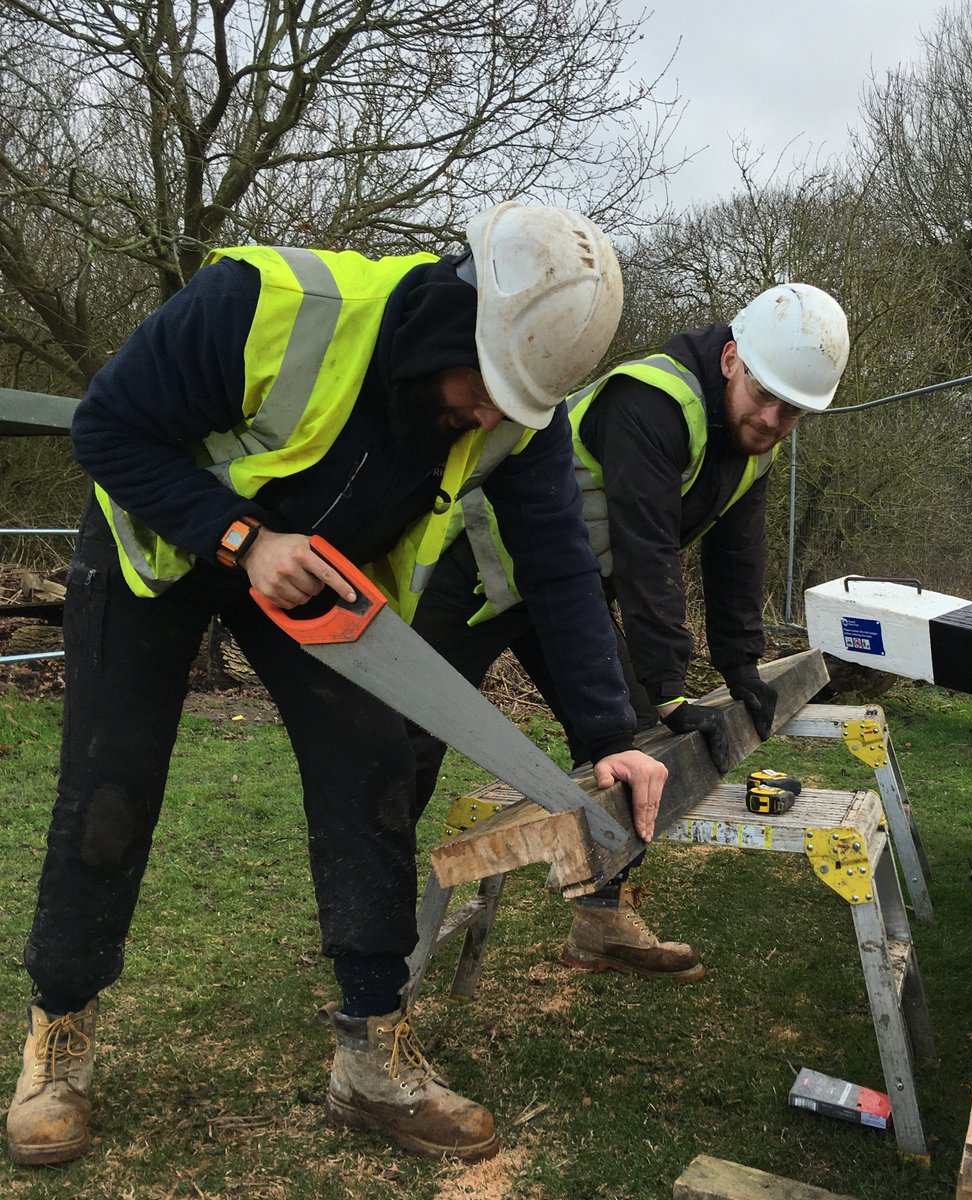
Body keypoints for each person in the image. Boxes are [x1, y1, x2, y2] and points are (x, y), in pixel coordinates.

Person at [5, 202, 668, 1168]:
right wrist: (240, 538)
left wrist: (609, 728)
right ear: (455, 323)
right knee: (111, 788)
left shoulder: (521, 410)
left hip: (313, 583)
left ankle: (371, 1051)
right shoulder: (266, 304)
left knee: (373, 773)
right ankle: (59, 1032)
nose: (489, 418)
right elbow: (107, 429)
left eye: (513, 405)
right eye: (484, 388)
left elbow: (559, 567)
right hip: (159, 548)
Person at [408, 282, 850, 981]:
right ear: (733, 359)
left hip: (560, 593)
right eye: (765, 397)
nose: (771, 420)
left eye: (792, 412)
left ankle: (602, 923)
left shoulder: (750, 445)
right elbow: (646, 551)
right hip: (477, 567)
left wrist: (740, 664)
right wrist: (672, 682)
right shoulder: (651, 401)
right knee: (408, 736)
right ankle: (377, 925)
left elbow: (738, 553)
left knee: (633, 738)